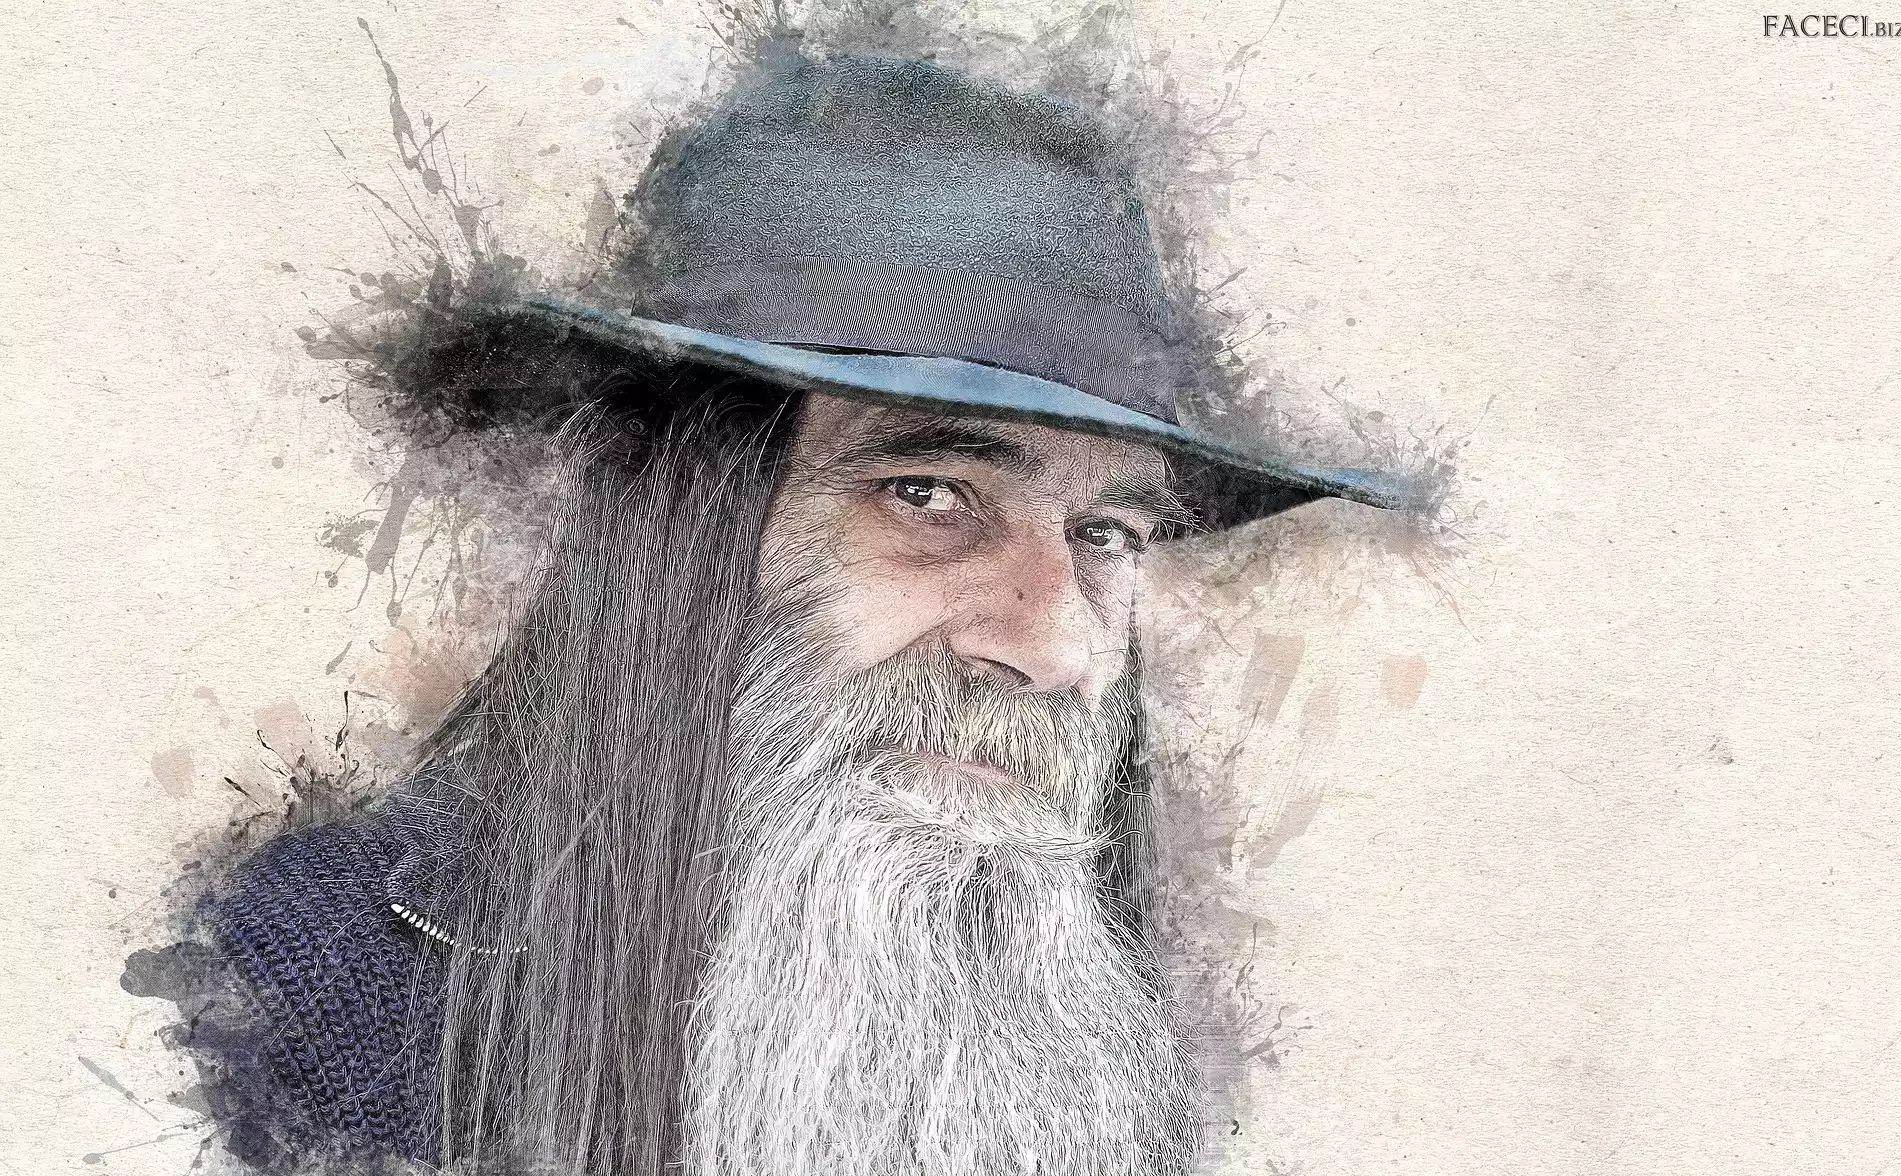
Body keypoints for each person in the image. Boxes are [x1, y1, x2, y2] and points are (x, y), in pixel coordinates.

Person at [198, 46, 1405, 1176]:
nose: (1056, 645)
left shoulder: (1105, 1065)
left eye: (1106, 536)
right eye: (927, 494)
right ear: (678, 538)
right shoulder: (280, 1013)